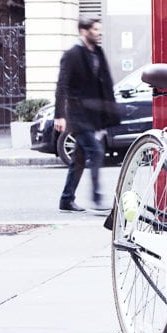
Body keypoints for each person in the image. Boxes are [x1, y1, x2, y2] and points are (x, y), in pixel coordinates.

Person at [54, 17, 119, 212]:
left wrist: (108, 111)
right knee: (97, 152)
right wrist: (60, 115)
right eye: (95, 29)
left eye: (100, 29)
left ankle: (66, 199)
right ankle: (97, 199)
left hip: (94, 115)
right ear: (83, 31)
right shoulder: (72, 55)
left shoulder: (97, 53)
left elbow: (104, 83)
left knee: (79, 160)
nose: (99, 33)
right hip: (78, 114)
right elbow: (62, 85)